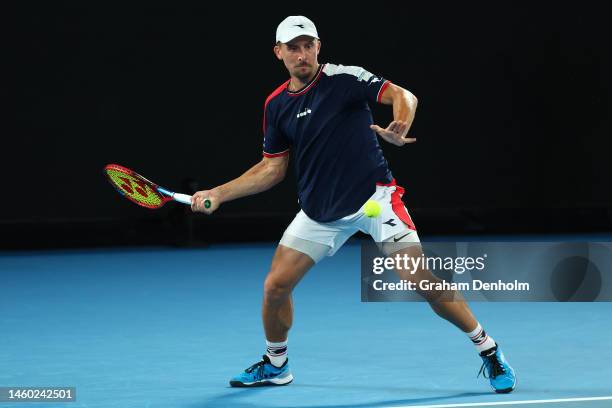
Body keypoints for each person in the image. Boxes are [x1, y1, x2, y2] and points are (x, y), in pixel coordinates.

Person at [191, 15, 516, 393]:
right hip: (320, 211)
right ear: (279, 53)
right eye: (293, 48)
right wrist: (219, 193)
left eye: (307, 45)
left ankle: (488, 349)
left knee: (420, 279)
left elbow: (403, 96)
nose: (302, 54)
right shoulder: (276, 105)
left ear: (318, 46)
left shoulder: (345, 79)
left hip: (375, 199)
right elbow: (271, 169)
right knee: (276, 286)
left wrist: (401, 124)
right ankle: (276, 364)